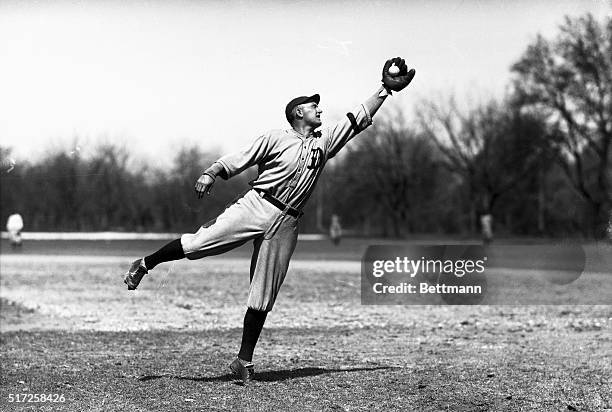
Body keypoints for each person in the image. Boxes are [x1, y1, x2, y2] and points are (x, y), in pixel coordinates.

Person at [123, 57, 415, 384]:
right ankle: (145, 263)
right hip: (258, 205)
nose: (319, 110)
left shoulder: (325, 141)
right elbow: (238, 158)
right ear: (297, 114)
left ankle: (243, 361)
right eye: (312, 107)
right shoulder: (276, 137)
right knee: (199, 244)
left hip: (288, 222)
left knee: (263, 294)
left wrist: (385, 89)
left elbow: (358, 116)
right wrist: (210, 173)